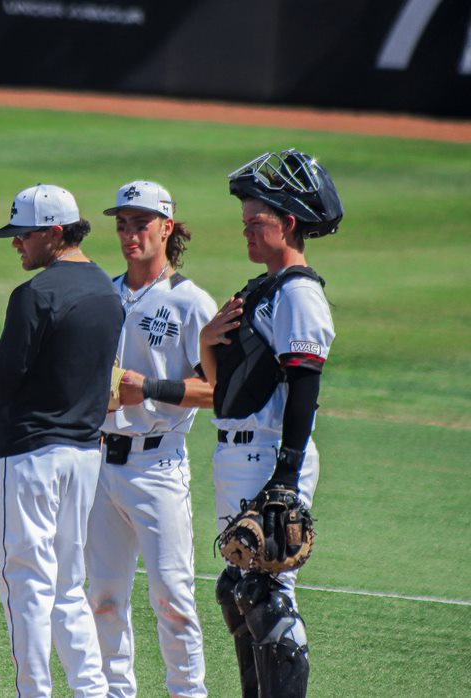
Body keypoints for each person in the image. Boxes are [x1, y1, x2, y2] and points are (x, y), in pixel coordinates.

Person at [0, 184, 123, 698]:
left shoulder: (34, 294)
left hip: (29, 457)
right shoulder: (107, 293)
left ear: (54, 233)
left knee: (24, 586)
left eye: (22, 235)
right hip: (84, 456)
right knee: (69, 586)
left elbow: (1, 381)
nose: (15, 244)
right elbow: (63, 370)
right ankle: (93, 691)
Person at [199, 149, 342, 698]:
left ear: (287, 223)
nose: (247, 234)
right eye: (244, 225)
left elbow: (305, 384)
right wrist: (206, 341)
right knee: (239, 587)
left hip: (268, 457)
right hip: (236, 456)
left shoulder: (300, 293)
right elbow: (218, 387)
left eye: (257, 224)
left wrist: (285, 476)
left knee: (268, 596)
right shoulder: (262, 288)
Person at [83, 180, 216, 698]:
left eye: (140, 223)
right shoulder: (103, 294)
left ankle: (188, 693)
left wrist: (150, 390)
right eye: (122, 224)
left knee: (172, 599)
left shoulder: (191, 303)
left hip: (157, 468)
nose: (129, 233)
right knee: (104, 599)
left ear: (167, 227)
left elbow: (217, 391)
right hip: (98, 464)